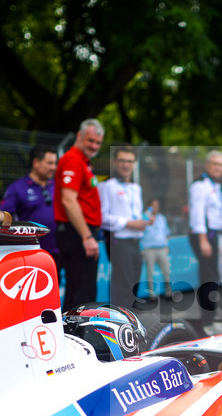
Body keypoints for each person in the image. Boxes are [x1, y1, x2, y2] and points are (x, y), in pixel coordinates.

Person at [0, 144, 59, 271]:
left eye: (55, 163)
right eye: (49, 163)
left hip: (58, 251)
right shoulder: (18, 187)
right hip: (32, 253)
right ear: (36, 162)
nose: (53, 168)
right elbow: (5, 212)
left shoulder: (56, 186)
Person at [54, 119, 104, 308]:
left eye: (98, 143)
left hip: (78, 232)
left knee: (79, 289)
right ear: (79, 136)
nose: (94, 146)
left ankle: (71, 335)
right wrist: (87, 236)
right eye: (91, 140)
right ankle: (80, 336)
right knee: (83, 292)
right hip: (77, 233)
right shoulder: (73, 159)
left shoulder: (83, 161)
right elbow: (68, 200)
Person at [99, 145, 151, 309]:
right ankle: (119, 324)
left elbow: (135, 214)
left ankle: (130, 322)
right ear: (115, 162)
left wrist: (146, 220)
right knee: (123, 286)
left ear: (134, 163)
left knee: (134, 283)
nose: (125, 164)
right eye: (122, 160)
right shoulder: (107, 185)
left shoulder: (136, 188)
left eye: (129, 161)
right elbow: (102, 218)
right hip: (118, 242)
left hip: (136, 242)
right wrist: (129, 223)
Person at [188, 150, 222, 321]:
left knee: (212, 275)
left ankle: (211, 316)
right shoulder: (200, 186)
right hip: (203, 235)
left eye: (221, 165)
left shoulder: (214, 186)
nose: (218, 168)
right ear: (207, 165)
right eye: (215, 164)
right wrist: (203, 240)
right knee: (209, 276)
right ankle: (208, 319)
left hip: (212, 235)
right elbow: (197, 214)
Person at [140, 198, 172, 300]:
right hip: (149, 249)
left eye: (157, 205)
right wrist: (142, 248)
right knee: (150, 272)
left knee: (167, 271)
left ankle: (168, 293)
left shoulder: (162, 218)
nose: (156, 208)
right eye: (153, 205)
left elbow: (166, 232)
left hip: (161, 248)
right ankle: (152, 295)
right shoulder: (144, 217)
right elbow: (140, 234)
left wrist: (166, 245)